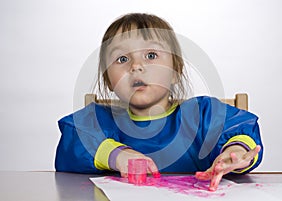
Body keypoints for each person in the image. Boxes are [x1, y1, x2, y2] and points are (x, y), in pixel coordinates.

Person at [55, 13, 263, 191]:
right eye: (122, 59)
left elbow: (240, 131)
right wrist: (117, 156)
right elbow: (74, 142)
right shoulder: (100, 120)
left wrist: (234, 153)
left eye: (151, 55)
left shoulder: (201, 115)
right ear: (108, 80)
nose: (136, 66)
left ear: (175, 72)